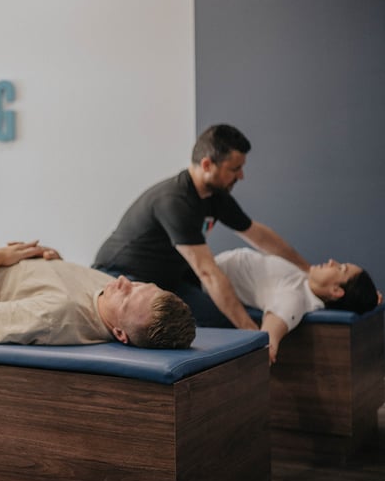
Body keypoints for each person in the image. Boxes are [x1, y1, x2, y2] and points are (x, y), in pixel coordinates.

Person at [94, 124, 310, 330]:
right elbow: (208, 272)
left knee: (222, 321)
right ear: (207, 165)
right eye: (235, 169)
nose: (241, 176)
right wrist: (253, 335)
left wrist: (307, 270)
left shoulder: (216, 196)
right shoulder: (175, 200)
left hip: (168, 282)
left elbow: (259, 236)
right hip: (123, 278)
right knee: (196, 324)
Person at [0, 241, 195, 349]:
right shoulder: (109, 293)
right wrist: (55, 262)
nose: (122, 281)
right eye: (138, 284)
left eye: (127, 296)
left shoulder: (56, 316)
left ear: (120, 333)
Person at [214, 247, 380, 364]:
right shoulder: (304, 282)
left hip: (202, 282)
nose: (331, 262)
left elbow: (273, 327)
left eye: (340, 268)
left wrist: (269, 346)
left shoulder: (294, 298)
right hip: (208, 267)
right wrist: (371, 298)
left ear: (336, 291)